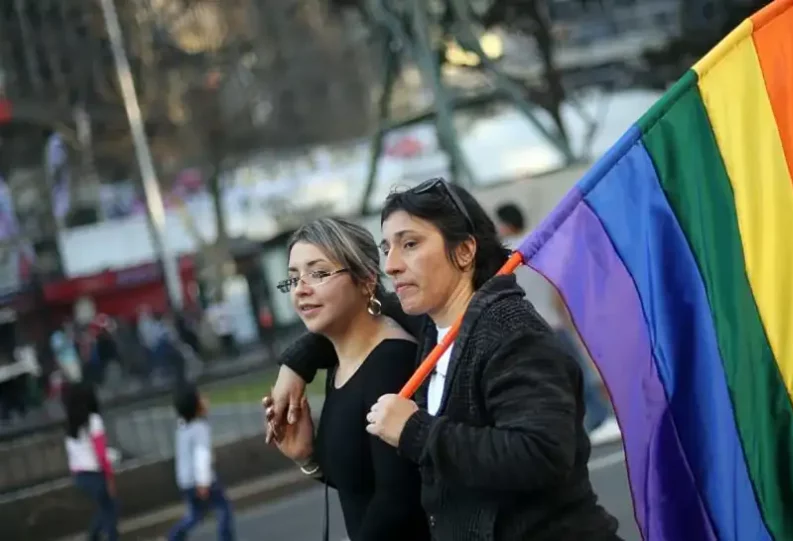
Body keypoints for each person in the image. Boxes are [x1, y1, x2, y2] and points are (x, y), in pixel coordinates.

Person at [266, 179, 621, 540]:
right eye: (387, 248)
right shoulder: (433, 331)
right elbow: (357, 313)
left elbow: (542, 454)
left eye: (410, 244)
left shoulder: (511, 332)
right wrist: (296, 364)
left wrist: (416, 431)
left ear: (465, 251)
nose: (391, 265)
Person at [264, 217, 430, 541]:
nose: (301, 289)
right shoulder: (340, 361)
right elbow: (360, 483)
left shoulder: (390, 362)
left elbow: (399, 500)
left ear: (366, 280)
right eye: (293, 279)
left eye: (319, 273)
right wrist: (307, 457)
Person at [494, 202, 622, 446]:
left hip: (527, 329)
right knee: (576, 373)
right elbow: (557, 287)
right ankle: (599, 418)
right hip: (553, 322)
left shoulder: (505, 256)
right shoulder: (538, 245)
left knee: (547, 383)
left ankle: (586, 423)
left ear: (505, 224)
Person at [168, 384, 235, 541]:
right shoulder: (200, 429)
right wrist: (203, 482)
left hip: (186, 481)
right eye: (201, 398)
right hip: (201, 481)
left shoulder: (182, 428)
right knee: (223, 509)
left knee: (195, 515)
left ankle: (175, 536)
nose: (206, 400)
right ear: (197, 406)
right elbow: (202, 456)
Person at [63, 381, 119, 541]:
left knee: (106, 508)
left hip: (80, 476)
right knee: (111, 510)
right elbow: (101, 453)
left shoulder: (70, 426)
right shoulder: (93, 421)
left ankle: (94, 537)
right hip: (95, 474)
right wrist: (109, 478)